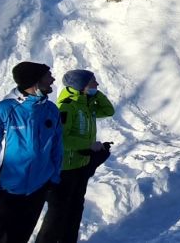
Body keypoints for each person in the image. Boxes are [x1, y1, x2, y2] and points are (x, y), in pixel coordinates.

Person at [0, 62, 63, 243]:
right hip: (3, 194)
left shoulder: (51, 110)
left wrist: (53, 179)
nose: (53, 79)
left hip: (36, 193)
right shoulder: (2, 111)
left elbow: (57, 147)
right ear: (34, 81)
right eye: (48, 76)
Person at [37, 69, 115, 243]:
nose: (97, 84)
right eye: (93, 82)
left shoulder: (86, 104)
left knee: (75, 209)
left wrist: (93, 95)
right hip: (65, 169)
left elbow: (109, 111)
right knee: (58, 213)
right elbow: (62, 139)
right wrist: (88, 145)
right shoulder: (66, 106)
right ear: (81, 86)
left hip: (81, 165)